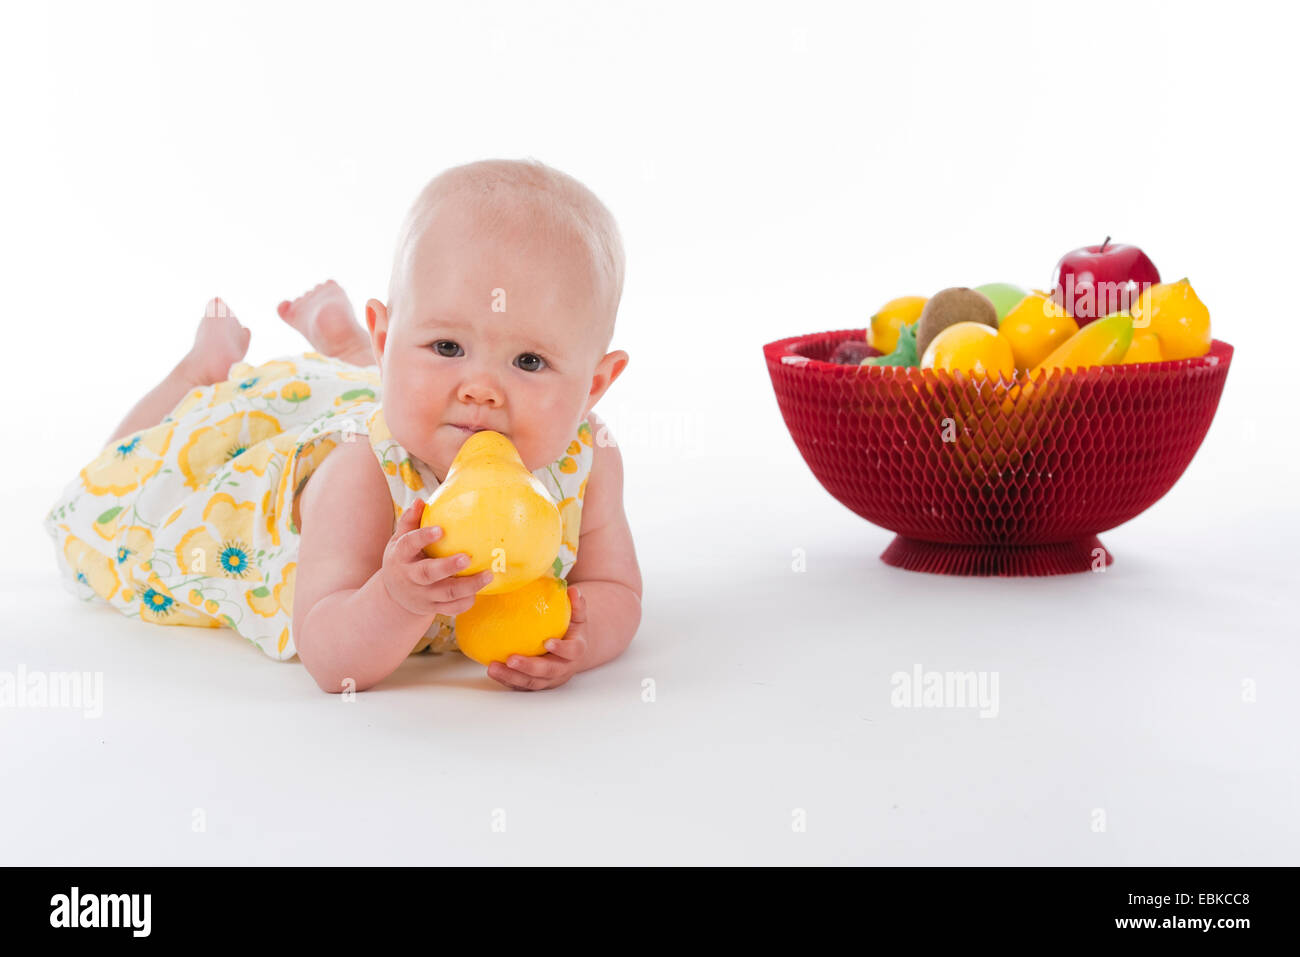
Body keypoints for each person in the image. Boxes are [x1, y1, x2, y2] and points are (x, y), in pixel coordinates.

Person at [44, 158, 642, 693]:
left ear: (592, 386)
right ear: (393, 338)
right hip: (245, 483)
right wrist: (396, 598)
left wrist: (581, 641)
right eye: (446, 345)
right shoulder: (362, 478)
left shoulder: (589, 460)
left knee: (400, 391)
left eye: (529, 362)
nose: (480, 389)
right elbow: (330, 657)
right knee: (120, 485)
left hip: (375, 398)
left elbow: (616, 590)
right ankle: (197, 372)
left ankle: (344, 348)